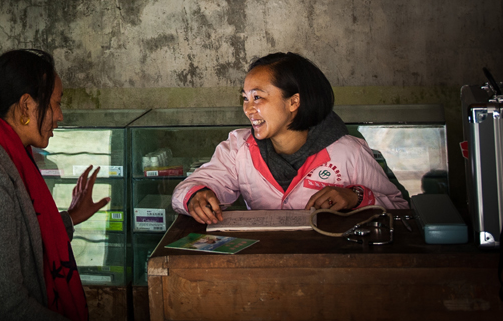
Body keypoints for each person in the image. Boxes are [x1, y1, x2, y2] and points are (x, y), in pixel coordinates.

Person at [0, 49, 109, 321]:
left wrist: (71, 217)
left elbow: (22, 235)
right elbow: (10, 310)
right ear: (26, 107)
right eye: (56, 103)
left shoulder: (8, 156)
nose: (59, 116)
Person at [172, 52, 408, 225]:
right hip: (267, 265)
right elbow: (187, 189)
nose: (248, 109)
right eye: (245, 98)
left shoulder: (348, 152)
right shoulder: (238, 148)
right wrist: (196, 194)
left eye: (258, 97)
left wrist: (355, 197)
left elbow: (400, 209)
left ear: (294, 102)